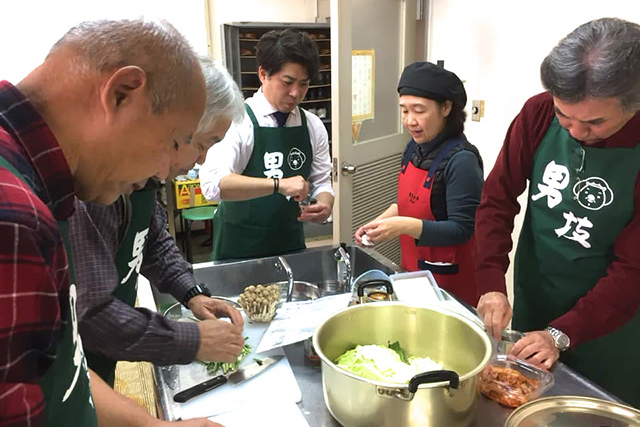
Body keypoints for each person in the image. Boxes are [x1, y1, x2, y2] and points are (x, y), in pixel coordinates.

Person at [0, 19, 221, 427]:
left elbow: (62, 362)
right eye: (176, 141)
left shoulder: (47, 184)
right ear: (121, 94)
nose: (163, 169)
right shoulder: (14, 219)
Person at [475, 18, 640, 407]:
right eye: (564, 116)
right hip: (538, 297)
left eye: (595, 122)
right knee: (526, 405)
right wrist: (491, 281)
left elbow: (634, 269)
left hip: (614, 326)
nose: (576, 132)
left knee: (596, 409)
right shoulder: (537, 114)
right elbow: (497, 199)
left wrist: (563, 333)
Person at [70, 58, 247, 386]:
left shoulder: (146, 179)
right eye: (202, 143)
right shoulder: (98, 189)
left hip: (103, 361)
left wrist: (191, 292)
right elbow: (93, 318)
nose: (202, 158)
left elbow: (151, 241)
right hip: (77, 370)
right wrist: (192, 340)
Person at [354, 62, 483, 306]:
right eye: (404, 110)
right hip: (414, 271)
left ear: (446, 108)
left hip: (448, 281)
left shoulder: (462, 160)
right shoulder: (413, 148)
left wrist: (402, 226)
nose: (410, 120)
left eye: (419, 110)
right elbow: (408, 204)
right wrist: (380, 223)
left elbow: (462, 229)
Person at [199, 29, 334, 261]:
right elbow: (213, 185)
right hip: (239, 247)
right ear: (263, 74)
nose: (295, 93)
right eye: (287, 82)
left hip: (290, 244)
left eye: (303, 84)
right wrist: (278, 185)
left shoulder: (312, 125)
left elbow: (322, 181)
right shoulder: (238, 121)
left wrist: (324, 203)